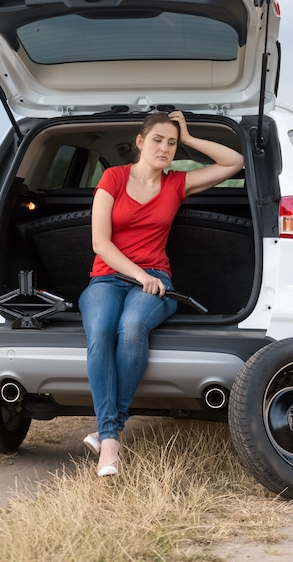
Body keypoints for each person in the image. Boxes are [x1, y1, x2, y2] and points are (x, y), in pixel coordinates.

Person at [78, 110, 244, 476]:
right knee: (101, 333)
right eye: (158, 140)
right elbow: (100, 243)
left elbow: (235, 161)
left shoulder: (176, 183)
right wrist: (137, 275)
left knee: (133, 327)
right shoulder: (113, 178)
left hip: (157, 278)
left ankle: (108, 438)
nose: (165, 148)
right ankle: (112, 434)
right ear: (139, 142)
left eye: (171, 143)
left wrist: (189, 138)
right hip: (108, 277)